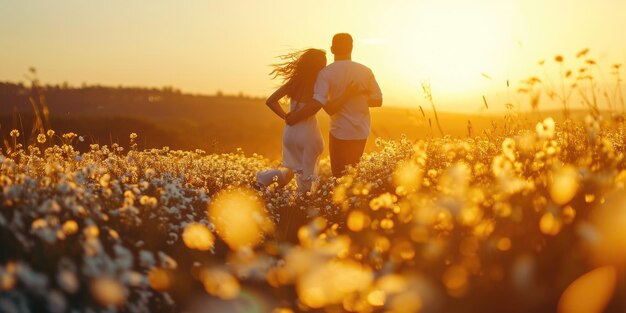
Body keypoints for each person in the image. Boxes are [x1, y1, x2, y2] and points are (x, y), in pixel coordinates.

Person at [256, 48, 362, 192]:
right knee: (307, 173)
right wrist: (347, 94)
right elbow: (330, 109)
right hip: (307, 134)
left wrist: (286, 116)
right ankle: (303, 202)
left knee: (290, 170)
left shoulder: (295, 82)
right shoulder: (319, 85)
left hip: (290, 133)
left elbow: (271, 101)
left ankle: (263, 180)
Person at [286, 33, 383, 176]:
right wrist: (360, 96)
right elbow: (378, 101)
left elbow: (320, 103)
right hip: (361, 131)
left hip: (339, 132)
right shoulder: (365, 71)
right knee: (353, 176)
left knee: (338, 177)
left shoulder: (325, 73)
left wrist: (295, 117)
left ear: (332, 49)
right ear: (351, 48)